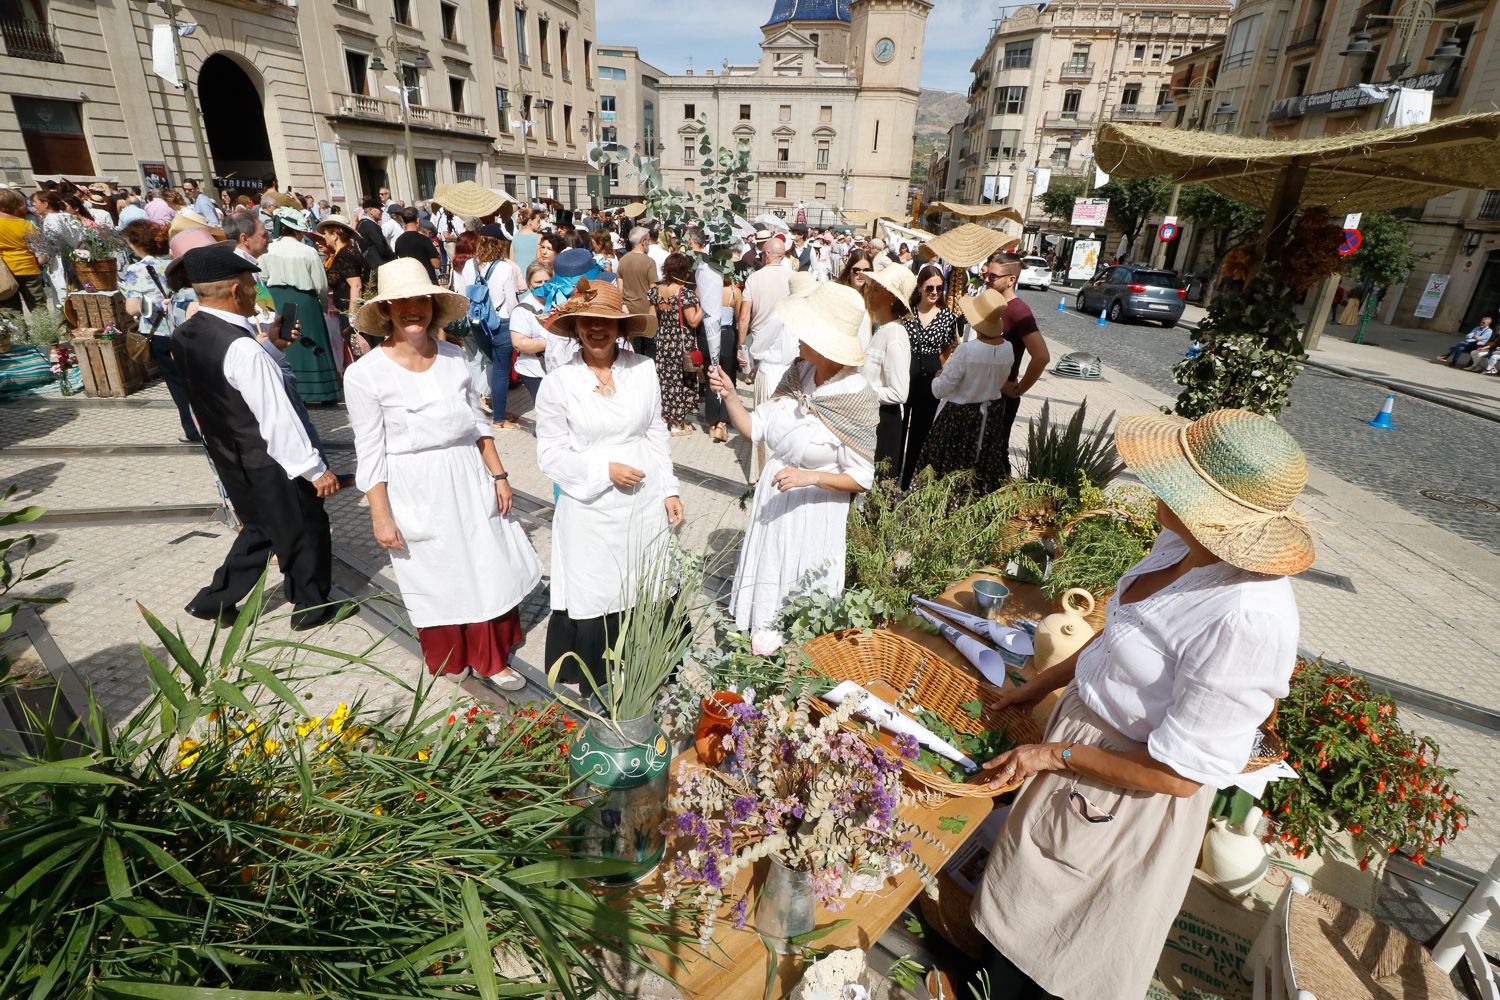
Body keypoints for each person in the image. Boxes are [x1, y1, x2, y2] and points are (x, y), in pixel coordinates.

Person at [972, 408, 1310, 1000]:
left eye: (1176, 478)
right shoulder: (1181, 542)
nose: (1156, 482)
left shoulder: (1247, 618)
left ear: (1213, 510)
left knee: (1057, 954)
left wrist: (1054, 755)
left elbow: (1178, 776)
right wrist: (1044, 683)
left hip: (1124, 795)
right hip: (1077, 755)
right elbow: (1120, 633)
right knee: (1019, 917)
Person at [343, 259, 541, 691]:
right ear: (387, 310)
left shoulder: (453, 357)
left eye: (421, 300)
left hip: (468, 475)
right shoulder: (364, 374)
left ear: (433, 305)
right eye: (401, 302)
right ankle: (451, 655)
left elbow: (477, 423)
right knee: (437, 570)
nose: (412, 309)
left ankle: (492, 658)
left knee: (486, 564)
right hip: (415, 485)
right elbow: (370, 451)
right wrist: (380, 515)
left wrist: (500, 475)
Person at [170, 243, 342, 630]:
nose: (255, 292)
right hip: (268, 458)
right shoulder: (242, 347)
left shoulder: (187, 333)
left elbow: (226, 384)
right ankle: (311, 608)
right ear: (235, 290)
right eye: (251, 284)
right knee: (304, 526)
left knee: (263, 529)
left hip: (230, 455)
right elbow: (275, 416)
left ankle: (212, 601)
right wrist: (314, 469)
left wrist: (273, 348)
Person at [534, 278, 678, 691]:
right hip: (589, 507)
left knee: (644, 583)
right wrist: (604, 471)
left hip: (644, 501)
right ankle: (597, 685)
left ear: (621, 328)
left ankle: (648, 674)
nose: (597, 330)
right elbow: (551, 455)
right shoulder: (558, 383)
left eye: (606, 323)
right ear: (576, 327)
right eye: (588, 322)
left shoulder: (644, 369)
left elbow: (655, 432)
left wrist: (670, 489)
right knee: (598, 589)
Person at [709, 280, 876, 631]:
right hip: (775, 503)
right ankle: (759, 646)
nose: (796, 335)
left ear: (825, 343)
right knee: (770, 576)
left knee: (801, 588)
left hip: (813, 514)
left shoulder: (855, 396)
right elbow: (756, 428)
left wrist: (809, 477)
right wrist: (729, 395)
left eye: (805, 329)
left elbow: (862, 478)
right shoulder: (799, 372)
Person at [917, 288, 1015, 491]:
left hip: (959, 419)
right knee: (981, 470)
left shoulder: (967, 350)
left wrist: (937, 377)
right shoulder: (1008, 348)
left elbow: (940, 390)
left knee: (946, 471)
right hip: (991, 419)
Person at [119, 220, 200, 444]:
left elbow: (133, 308)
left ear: (136, 243)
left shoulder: (137, 269)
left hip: (161, 333)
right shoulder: (177, 260)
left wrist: (153, 302)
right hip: (189, 327)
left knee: (177, 384)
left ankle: (193, 429)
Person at [980, 253, 1051, 479]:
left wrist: (1018, 389)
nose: (987, 280)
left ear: (1011, 280)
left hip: (1000, 399)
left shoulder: (1019, 311)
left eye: (993, 276)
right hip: (981, 392)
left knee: (995, 457)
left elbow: (1041, 356)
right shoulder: (993, 303)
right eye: (986, 274)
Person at [261, 208, 339, 404]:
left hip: (277, 298)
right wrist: (321, 303)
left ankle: (294, 390)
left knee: (286, 342)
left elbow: (262, 277)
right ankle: (324, 392)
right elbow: (320, 283)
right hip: (306, 300)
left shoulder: (269, 249)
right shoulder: (308, 251)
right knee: (314, 341)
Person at [452, 224, 523, 427]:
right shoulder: (505, 268)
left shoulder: (468, 265)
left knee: (489, 364)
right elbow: (511, 302)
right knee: (501, 370)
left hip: (476, 322)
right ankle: (499, 419)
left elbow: (466, 295)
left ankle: (494, 407)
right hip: (500, 323)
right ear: (500, 244)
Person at [902, 264, 960, 488]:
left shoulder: (947, 316)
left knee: (920, 432)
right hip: (906, 373)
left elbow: (948, 348)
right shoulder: (907, 312)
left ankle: (908, 482)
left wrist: (942, 369)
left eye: (939, 288)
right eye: (930, 288)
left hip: (930, 379)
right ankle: (891, 478)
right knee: (899, 427)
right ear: (920, 288)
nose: (934, 292)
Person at [860, 263, 914, 481]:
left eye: (876, 289)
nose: (870, 294)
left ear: (892, 297)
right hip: (872, 418)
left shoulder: (895, 337)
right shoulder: (883, 330)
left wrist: (862, 390)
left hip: (883, 422)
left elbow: (899, 393)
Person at [648, 253, 704, 437]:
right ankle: (678, 423)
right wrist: (704, 307)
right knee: (681, 382)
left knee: (665, 381)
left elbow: (651, 318)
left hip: (663, 342)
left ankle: (665, 417)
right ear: (684, 272)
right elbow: (693, 321)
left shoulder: (656, 291)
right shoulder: (683, 293)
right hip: (681, 344)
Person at [315, 214, 367, 363]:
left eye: (325, 234)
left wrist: (352, 316)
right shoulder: (343, 253)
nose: (324, 238)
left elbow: (356, 285)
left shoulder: (344, 254)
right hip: (348, 308)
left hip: (352, 310)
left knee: (359, 351)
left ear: (335, 234)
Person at [508, 261, 557, 408]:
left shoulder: (558, 301)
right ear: (529, 284)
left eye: (547, 281)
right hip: (535, 371)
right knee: (546, 411)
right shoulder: (522, 310)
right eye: (538, 282)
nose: (543, 285)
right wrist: (551, 342)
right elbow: (519, 343)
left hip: (557, 368)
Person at [0, 189, 46, 312]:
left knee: (9, 308)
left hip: (5, 271)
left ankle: (17, 331)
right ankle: (45, 331)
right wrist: (39, 262)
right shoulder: (25, 224)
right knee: (38, 307)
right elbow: (40, 250)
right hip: (28, 268)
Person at [617, 227, 657, 317]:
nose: (649, 243)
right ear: (643, 241)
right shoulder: (649, 262)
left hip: (627, 311)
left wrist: (622, 306)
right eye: (648, 240)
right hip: (645, 311)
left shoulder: (622, 260)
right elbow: (653, 290)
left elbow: (620, 289)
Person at [393, 206, 440, 281]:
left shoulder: (398, 241)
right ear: (417, 220)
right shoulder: (424, 239)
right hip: (427, 281)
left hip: (410, 282)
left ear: (403, 222)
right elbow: (436, 264)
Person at [357, 199, 395, 273]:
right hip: (377, 266)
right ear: (370, 210)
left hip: (369, 264)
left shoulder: (361, 223)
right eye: (379, 209)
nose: (381, 211)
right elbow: (381, 247)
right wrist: (393, 257)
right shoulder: (370, 225)